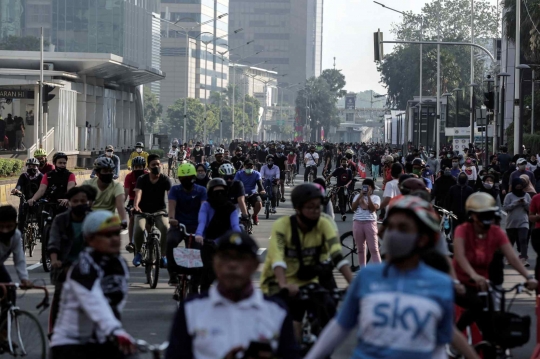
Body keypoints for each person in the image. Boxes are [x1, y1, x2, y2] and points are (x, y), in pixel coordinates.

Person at [305, 196, 455, 359]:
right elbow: (339, 327)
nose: (392, 233)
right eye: (390, 226)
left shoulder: (441, 285)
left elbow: (439, 346)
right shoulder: (367, 277)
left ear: (423, 239)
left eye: (403, 228)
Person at [166, 231, 300, 359]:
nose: (232, 265)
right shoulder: (191, 309)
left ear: (255, 265)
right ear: (215, 263)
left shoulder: (276, 311)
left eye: (241, 258)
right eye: (225, 257)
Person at [260, 183, 353, 341]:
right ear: (298, 208)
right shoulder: (282, 226)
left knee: (330, 310)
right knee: (290, 327)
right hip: (279, 283)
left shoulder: (324, 223)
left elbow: (337, 255)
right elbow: (278, 259)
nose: (315, 211)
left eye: (318, 207)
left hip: (309, 280)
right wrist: (284, 284)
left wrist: (353, 283)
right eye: (310, 207)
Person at [453, 192, 537, 342]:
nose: (486, 221)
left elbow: (511, 256)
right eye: (481, 216)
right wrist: (474, 275)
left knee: (493, 321)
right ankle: (454, 337)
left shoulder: (496, 232)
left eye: (489, 215)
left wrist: (528, 276)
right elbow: (460, 256)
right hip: (462, 282)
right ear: (472, 216)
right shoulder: (463, 230)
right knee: (477, 304)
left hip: (484, 284)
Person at [50, 211, 135, 359]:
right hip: (71, 344)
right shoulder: (82, 267)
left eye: (116, 233)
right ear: (90, 239)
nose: (115, 239)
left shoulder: (120, 265)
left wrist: (116, 333)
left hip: (103, 338)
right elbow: (94, 301)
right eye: (108, 235)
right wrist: (115, 330)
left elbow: (115, 304)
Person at [48, 185, 97, 332]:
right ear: (69, 202)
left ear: (88, 202)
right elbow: (54, 242)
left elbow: (101, 244)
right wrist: (55, 260)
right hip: (65, 265)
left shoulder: (93, 219)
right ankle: (53, 330)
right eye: (75, 201)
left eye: (83, 201)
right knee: (59, 294)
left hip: (87, 265)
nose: (79, 204)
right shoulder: (60, 220)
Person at [196, 178, 242, 291]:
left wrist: (239, 238)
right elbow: (202, 222)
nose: (219, 194)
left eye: (222, 191)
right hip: (208, 243)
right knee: (206, 272)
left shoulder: (231, 208)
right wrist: (199, 235)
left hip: (225, 244)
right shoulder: (206, 206)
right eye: (216, 192)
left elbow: (235, 226)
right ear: (210, 193)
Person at [166, 163, 207, 287]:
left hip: (196, 226)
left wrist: (203, 223)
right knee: (170, 242)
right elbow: (172, 206)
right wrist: (172, 219)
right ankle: (173, 272)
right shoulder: (175, 190)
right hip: (179, 225)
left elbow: (204, 208)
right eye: (183, 179)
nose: (186, 181)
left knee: (200, 250)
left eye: (188, 178)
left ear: (193, 178)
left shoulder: (201, 190)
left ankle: (198, 275)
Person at [133, 154, 171, 268]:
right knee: (139, 229)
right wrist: (136, 205)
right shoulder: (142, 179)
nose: (156, 166)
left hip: (160, 211)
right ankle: (139, 252)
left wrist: (173, 210)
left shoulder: (165, 179)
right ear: (148, 167)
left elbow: (171, 196)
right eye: (153, 165)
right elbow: (138, 193)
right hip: (143, 211)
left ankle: (163, 255)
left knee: (165, 228)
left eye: (158, 164)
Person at [83, 158, 127, 227]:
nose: (109, 173)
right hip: (90, 219)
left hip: (108, 221)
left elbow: (120, 206)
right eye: (105, 171)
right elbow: (81, 202)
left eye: (110, 171)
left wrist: (124, 220)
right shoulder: (88, 184)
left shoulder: (117, 186)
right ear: (97, 174)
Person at [351, 178, 381, 267]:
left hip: (370, 223)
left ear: (372, 188)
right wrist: (360, 196)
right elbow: (353, 208)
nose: (366, 189)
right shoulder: (357, 196)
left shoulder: (376, 197)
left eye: (368, 187)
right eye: (364, 186)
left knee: (374, 249)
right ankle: (362, 269)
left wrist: (368, 196)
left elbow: (373, 209)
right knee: (360, 249)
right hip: (358, 222)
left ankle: (378, 270)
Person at [503, 178, 532, 267]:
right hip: (511, 222)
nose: (519, 186)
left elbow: (530, 209)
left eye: (520, 185)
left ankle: (523, 258)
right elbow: (505, 208)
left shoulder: (526, 195)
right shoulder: (509, 196)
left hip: (523, 221)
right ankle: (509, 258)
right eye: (517, 184)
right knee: (510, 242)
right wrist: (515, 203)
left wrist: (525, 203)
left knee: (523, 240)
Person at [11, 158, 44, 232]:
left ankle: (41, 233)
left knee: (40, 216)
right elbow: (19, 185)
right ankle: (20, 235)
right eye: (29, 166)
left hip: (38, 201)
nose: (31, 168)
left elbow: (43, 188)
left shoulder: (41, 176)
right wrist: (17, 190)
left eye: (34, 166)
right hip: (25, 199)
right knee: (21, 218)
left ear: (37, 167)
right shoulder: (24, 176)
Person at [123, 157, 148, 253]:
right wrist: (122, 203)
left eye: (140, 167)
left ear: (143, 167)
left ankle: (151, 240)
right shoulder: (129, 177)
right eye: (136, 167)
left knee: (149, 220)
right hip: (133, 201)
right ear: (133, 167)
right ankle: (131, 243)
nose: (138, 169)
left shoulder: (147, 175)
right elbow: (126, 193)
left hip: (146, 201)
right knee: (132, 218)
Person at [234, 159, 265, 225]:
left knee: (259, 203)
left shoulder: (257, 174)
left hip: (252, 193)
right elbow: (235, 184)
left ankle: (255, 215)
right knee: (242, 205)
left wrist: (262, 190)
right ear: (244, 166)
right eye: (247, 166)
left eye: (251, 166)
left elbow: (259, 183)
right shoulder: (239, 174)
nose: (249, 168)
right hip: (242, 194)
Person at [326, 157, 353, 221]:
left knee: (345, 201)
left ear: (347, 163)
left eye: (345, 162)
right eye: (343, 162)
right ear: (341, 163)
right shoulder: (338, 170)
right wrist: (325, 180)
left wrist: (347, 185)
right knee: (341, 201)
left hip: (346, 189)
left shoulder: (349, 171)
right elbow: (331, 175)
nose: (344, 163)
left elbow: (350, 180)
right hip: (339, 188)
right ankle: (343, 214)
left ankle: (343, 212)